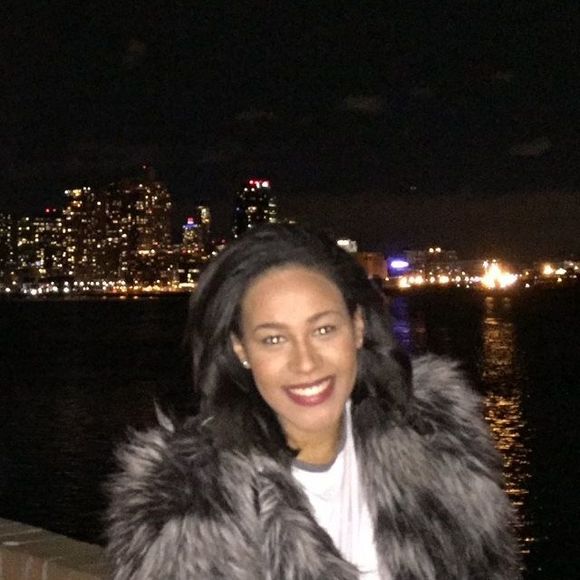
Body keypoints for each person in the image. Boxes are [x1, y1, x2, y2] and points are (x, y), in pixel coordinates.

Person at [106, 224, 521, 579]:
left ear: (357, 327)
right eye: (274, 339)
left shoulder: (439, 443)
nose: (305, 363)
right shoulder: (188, 505)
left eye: (323, 330)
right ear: (240, 349)